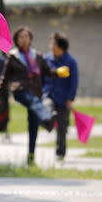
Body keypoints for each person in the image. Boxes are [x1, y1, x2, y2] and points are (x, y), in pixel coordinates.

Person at [0, 26, 70, 165]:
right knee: (34, 102)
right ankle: (47, 117)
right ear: (16, 39)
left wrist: (58, 72)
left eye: (26, 36)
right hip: (20, 90)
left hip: (35, 91)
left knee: (33, 125)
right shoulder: (12, 56)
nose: (24, 39)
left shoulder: (38, 56)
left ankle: (31, 157)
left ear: (31, 38)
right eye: (21, 36)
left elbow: (47, 71)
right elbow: (3, 78)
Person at [43, 32, 79, 161]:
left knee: (62, 128)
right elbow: (41, 76)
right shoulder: (46, 59)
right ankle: (49, 122)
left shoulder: (71, 61)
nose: (50, 45)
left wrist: (70, 98)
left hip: (63, 98)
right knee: (47, 109)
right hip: (48, 94)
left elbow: (74, 82)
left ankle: (60, 153)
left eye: (53, 43)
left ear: (60, 47)